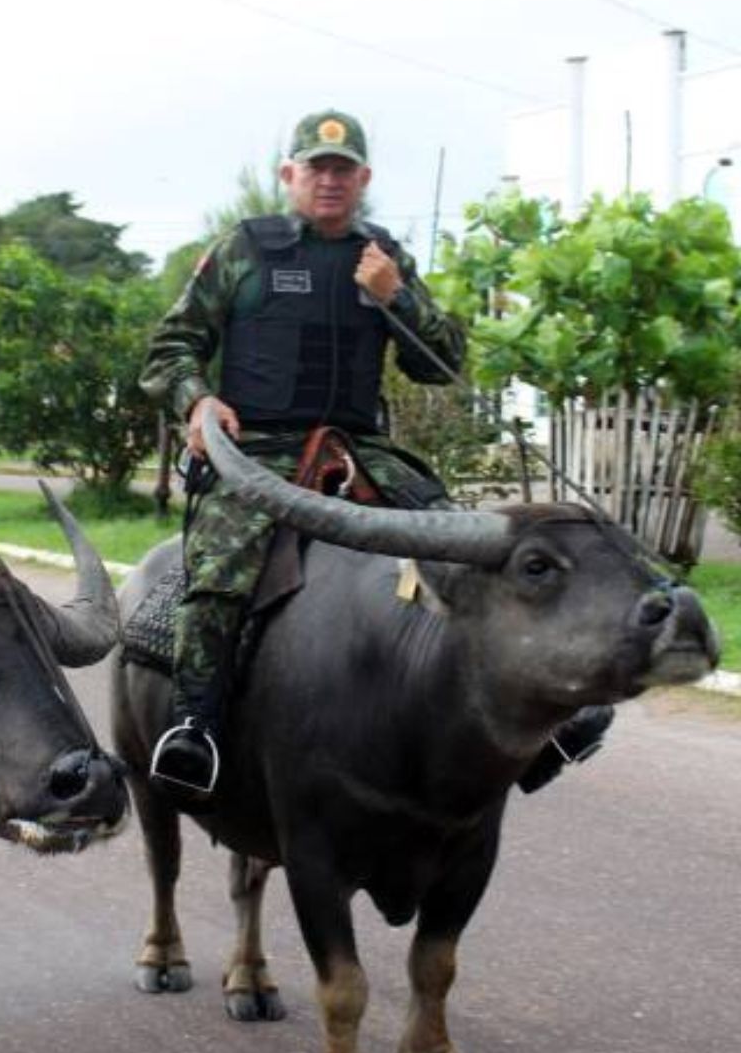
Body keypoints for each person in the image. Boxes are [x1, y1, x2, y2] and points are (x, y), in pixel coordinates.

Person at [141, 109, 611, 801]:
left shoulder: (383, 256)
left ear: (362, 178)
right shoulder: (243, 250)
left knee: (468, 545)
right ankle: (195, 728)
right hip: (256, 450)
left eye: (343, 170)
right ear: (289, 175)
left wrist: (398, 300)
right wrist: (195, 402)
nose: (329, 182)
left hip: (361, 449)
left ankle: (541, 714)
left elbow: (443, 363)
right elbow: (170, 347)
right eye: (315, 168)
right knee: (221, 573)